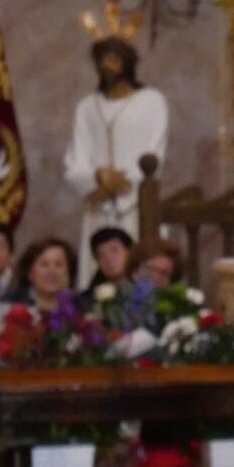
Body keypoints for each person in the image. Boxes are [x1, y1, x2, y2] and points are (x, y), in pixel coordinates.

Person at [63, 25, 168, 283]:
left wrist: (119, 184)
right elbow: (75, 161)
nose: (106, 65)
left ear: (127, 61)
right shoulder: (86, 107)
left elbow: (154, 153)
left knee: (141, 276)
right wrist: (97, 177)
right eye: (101, 59)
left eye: (113, 58)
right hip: (98, 206)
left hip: (137, 205)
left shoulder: (151, 101)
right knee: (97, 281)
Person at [12, 238, 78, 312]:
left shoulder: (80, 307)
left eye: (58, 265)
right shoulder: (9, 305)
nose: (52, 271)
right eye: (44, 264)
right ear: (30, 273)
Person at [86, 226, 134, 293]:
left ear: (129, 252)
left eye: (114, 250)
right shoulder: (89, 296)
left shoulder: (144, 291)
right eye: (102, 254)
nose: (108, 259)